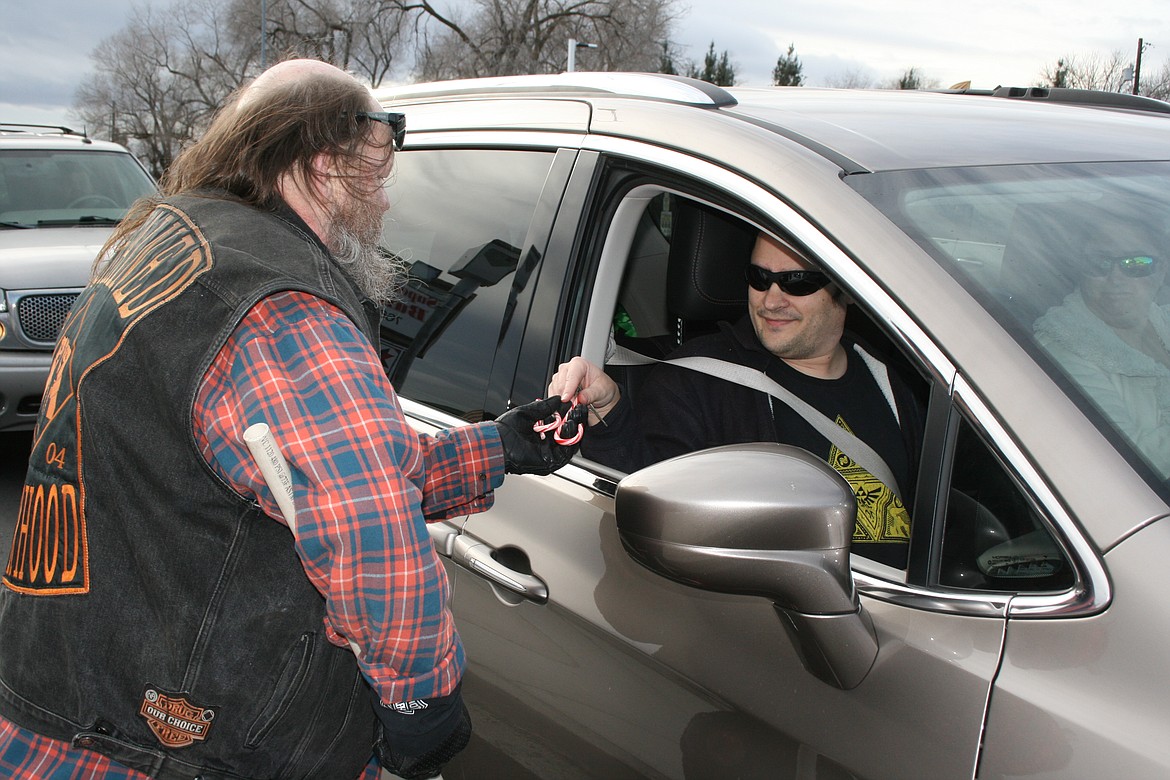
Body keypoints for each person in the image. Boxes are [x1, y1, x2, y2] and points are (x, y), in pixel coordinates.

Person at [0, 58, 575, 780]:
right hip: (178, 746)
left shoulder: (173, 241)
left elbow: (303, 473)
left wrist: (501, 445)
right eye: (378, 174)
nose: (385, 206)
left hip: (73, 694)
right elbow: (368, 529)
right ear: (325, 164)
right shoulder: (279, 307)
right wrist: (420, 702)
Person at [550, 232, 923, 568]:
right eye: (759, 279)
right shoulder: (695, 381)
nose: (771, 301)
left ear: (848, 289)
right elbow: (649, 508)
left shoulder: (892, 375)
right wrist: (610, 412)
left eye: (797, 282)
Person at [1034, 247, 1170, 477]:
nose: (1116, 278)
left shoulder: (1164, 320)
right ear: (1081, 269)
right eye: (1100, 262)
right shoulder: (1061, 352)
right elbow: (1131, 465)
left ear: (1161, 271)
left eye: (1136, 263)